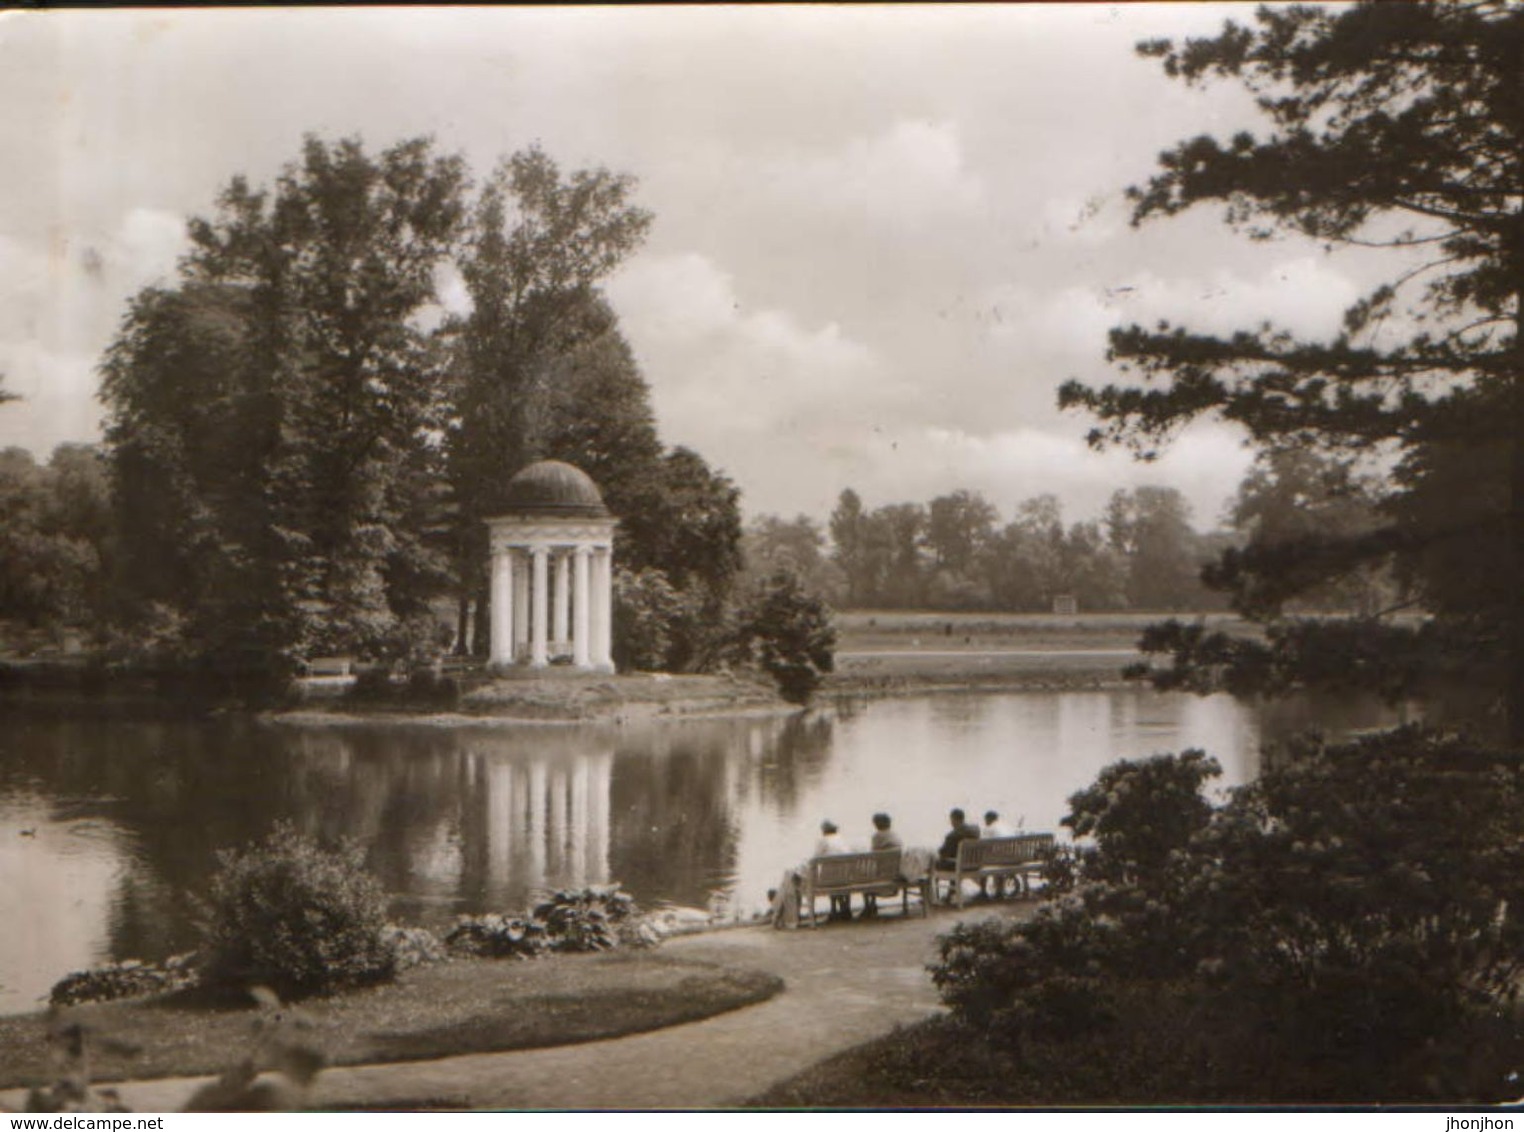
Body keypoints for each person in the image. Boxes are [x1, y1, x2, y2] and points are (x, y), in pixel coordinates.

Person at [937, 807, 983, 904]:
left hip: (959, 866)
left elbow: (944, 854)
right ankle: (952, 891)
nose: (951, 822)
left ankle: (935, 897)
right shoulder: (975, 831)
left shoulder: (952, 836)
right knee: (955, 860)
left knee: (935, 864)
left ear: (955, 819)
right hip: (975, 865)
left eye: (951, 820)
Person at [862, 812, 902, 918]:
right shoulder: (895, 835)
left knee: (865, 876)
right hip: (896, 873)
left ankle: (869, 906)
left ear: (876, 824)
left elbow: (874, 855)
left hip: (882, 875)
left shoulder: (877, 836)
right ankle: (871, 906)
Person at [813, 820, 854, 920]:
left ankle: (834, 910)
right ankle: (846, 907)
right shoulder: (841, 839)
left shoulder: (823, 840)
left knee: (830, 877)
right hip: (847, 876)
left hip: (830, 878)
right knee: (839, 877)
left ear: (824, 831)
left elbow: (816, 858)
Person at [981, 810, 1017, 899]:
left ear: (988, 819)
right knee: (996, 857)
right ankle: (999, 891)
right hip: (1014, 858)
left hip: (1001, 859)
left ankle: (983, 892)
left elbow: (983, 845)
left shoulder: (989, 828)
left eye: (985, 820)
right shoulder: (1007, 826)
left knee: (983, 861)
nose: (985, 823)